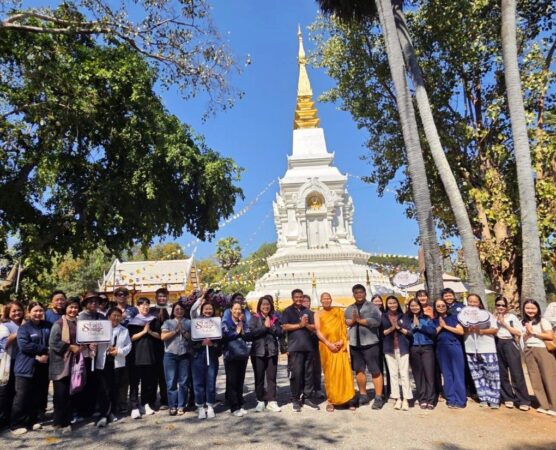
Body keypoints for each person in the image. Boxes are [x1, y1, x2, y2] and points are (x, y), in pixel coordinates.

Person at [10, 302, 51, 435]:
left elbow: (52, 342)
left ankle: (32, 420)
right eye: (35, 311)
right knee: (21, 396)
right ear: (29, 312)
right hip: (25, 367)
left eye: (40, 311)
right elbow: (24, 346)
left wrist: (46, 355)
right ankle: (16, 424)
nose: (38, 313)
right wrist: (44, 350)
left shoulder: (48, 326)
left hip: (42, 367)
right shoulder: (24, 328)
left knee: (36, 395)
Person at [344, 284, 384, 409]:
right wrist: (352, 321)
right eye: (356, 293)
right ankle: (363, 395)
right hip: (355, 344)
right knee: (359, 370)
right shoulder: (349, 308)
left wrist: (361, 321)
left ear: (365, 293)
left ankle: (378, 396)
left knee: (375, 370)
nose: (359, 295)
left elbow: (377, 321)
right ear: (353, 294)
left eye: (361, 292)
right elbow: (346, 321)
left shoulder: (372, 307)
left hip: (370, 343)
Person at [314, 292, 355, 412]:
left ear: (331, 300)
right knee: (330, 374)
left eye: (328, 298)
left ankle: (347, 399)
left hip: (340, 346)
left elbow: (343, 328)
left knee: (344, 372)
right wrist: (329, 344)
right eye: (324, 299)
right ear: (321, 301)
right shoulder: (317, 313)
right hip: (326, 346)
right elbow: (318, 331)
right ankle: (331, 400)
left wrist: (342, 341)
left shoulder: (338, 312)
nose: (326, 300)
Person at [282, 289, 320, 411]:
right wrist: (300, 325)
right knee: (296, 374)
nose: (298, 299)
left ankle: (307, 397)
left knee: (309, 373)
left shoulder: (307, 311)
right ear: (292, 298)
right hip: (295, 347)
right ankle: (295, 398)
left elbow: (315, 327)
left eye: (300, 297)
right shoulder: (287, 311)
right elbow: (284, 326)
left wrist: (306, 325)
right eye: (296, 297)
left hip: (308, 347)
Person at [48, 298, 82, 433]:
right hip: (60, 363)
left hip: (75, 362)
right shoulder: (59, 324)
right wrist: (69, 347)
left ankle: (66, 421)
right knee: (60, 394)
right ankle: (59, 422)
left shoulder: (80, 323)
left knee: (71, 392)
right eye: (71, 307)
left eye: (76, 307)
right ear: (66, 308)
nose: (73, 310)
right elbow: (53, 343)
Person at [462, 293, 500, 409]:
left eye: (475, 302)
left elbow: (495, 329)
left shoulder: (487, 314)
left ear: (480, 303)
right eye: (470, 301)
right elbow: (461, 330)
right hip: (470, 349)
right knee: (477, 375)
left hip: (487, 348)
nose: (472, 304)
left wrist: (481, 331)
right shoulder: (463, 316)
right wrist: (467, 329)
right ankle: (483, 398)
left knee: (492, 374)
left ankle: (494, 399)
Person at [95, 307, 132, 427]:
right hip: (103, 362)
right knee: (104, 388)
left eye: (118, 316)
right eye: (114, 315)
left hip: (117, 362)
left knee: (114, 388)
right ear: (108, 316)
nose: (116, 318)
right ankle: (104, 414)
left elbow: (129, 346)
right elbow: (94, 342)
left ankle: (112, 412)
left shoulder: (124, 330)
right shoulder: (100, 328)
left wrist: (119, 351)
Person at [493, 295, 530, 411]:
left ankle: (523, 400)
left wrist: (504, 324)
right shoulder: (492, 317)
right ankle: (508, 397)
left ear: (507, 306)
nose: (501, 307)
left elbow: (519, 332)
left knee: (516, 372)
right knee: (502, 372)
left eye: (503, 305)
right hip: (497, 344)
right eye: (498, 305)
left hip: (510, 343)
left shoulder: (512, 317)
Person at [127, 297, 161, 419]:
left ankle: (145, 403)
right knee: (134, 382)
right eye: (142, 305)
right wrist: (144, 331)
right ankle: (134, 406)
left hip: (150, 354)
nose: (145, 307)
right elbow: (130, 338)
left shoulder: (154, 320)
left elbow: (160, 336)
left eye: (147, 305)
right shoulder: (133, 322)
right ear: (138, 307)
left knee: (148, 381)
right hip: (136, 355)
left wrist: (150, 331)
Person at [521, 299, 556, 416]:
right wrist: (526, 335)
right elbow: (523, 338)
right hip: (528, 350)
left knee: (549, 377)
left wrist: (533, 332)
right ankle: (544, 404)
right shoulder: (523, 322)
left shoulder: (543, 321)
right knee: (535, 378)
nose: (530, 310)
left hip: (542, 350)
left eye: (533, 308)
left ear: (537, 309)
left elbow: (550, 336)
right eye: (527, 308)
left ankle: (554, 406)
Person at [248, 295, 283, 413]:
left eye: (267, 304)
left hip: (272, 351)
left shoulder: (274, 318)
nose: (265, 306)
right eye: (263, 304)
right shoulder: (254, 318)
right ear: (259, 306)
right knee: (259, 377)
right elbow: (251, 333)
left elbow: (280, 332)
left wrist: (271, 326)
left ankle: (272, 401)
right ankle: (260, 400)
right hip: (258, 352)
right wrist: (264, 327)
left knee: (272, 377)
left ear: (271, 306)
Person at [74, 291, 103, 420]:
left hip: (98, 353)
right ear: (85, 303)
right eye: (91, 301)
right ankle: (81, 410)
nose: (94, 304)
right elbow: (78, 334)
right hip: (84, 353)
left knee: (95, 381)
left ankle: (93, 408)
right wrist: (87, 344)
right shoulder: (80, 317)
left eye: (96, 301)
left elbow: (105, 332)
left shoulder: (101, 317)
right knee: (83, 382)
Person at [433, 298, 466, 408]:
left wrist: (445, 326)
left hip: (454, 346)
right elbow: (433, 333)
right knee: (447, 374)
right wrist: (440, 326)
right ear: (435, 308)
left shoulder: (454, 318)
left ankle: (460, 400)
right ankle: (451, 399)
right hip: (441, 348)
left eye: (443, 305)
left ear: (446, 306)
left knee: (458, 373)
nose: (441, 307)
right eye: (438, 306)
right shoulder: (434, 320)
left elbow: (461, 331)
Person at [222, 300, 253, 417]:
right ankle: (234, 407)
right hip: (231, 355)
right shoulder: (226, 322)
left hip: (242, 354)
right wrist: (236, 332)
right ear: (231, 310)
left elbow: (248, 335)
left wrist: (242, 328)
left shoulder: (243, 322)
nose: (237, 311)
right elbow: (224, 337)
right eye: (235, 309)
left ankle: (240, 403)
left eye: (239, 309)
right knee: (232, 381)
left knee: (240, 380)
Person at [191, 301, 221, 420]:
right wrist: (201, 344)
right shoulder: (196, 323)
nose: (208, 311)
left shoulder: (216, 323)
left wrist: (212, 344)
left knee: (211, 381)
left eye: (210, 309)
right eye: (206, 309)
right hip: (198, 356)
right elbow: (191, 343)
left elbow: (220, 344)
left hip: (212, 356)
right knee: (198, 383)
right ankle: (200, 406)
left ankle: (210, 405)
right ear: (202, 310)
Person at [381, 296, 413, 411]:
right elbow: (381, 333)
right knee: (393, 374)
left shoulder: (404, 316)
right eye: (390, 303)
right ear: (387, 305)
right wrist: (392, 328)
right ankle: (397, 398)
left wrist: (398, 328)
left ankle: (406, 399)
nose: (392, 305)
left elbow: (410, 332)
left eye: (394, 303)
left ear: (397, 304)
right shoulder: (383, 316)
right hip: (389, 348)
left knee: (404, 374)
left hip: (402, 347)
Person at [161, 302, 191, 416]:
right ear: (173, 311)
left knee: (184, 381)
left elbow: (192, 338)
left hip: (185, 355)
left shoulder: (188, 322)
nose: (179, 311)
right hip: (170, 355)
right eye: (177, 309)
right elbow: (163, 337)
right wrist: (175, 331)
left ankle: (181, 405)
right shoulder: (168, 322)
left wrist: (183, 331)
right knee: (171, 381)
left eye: (181, 309)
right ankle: (172, 405)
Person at [406, 299, 436, 410]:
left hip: (427, 347)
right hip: (413, 347)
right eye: (412, 306)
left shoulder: (427, 318)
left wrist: (420, 326)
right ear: (409, 307)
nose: (414, 307)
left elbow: (433, 331)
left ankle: (431, 399)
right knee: (418, 375)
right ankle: (422, 398)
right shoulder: (406, 319)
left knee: (429, 374)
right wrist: (412, 327)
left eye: (416, 305)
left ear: (420, 306)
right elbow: (405, 332)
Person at [113, 286, 137, 415]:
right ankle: (113, 403)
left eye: (124, 294)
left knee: (127, 376)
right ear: (115, 296)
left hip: (129, 343)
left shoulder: (133, 310)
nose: (122, 296)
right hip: (113, 346)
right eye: (119, 294)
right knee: (114, 376)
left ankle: (126, 402)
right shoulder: (111, 309)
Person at [0, 301, 24, 429]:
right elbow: (4, 344)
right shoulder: (5, 326)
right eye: (14, 311)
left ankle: (14, 418)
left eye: (19, 310)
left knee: (17, 392)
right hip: (9, 362)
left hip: (22, 362)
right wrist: (19, 332)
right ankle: (4, 419)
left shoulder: (24, 323)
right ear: (8, 312)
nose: (17, 313)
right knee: (6, 391)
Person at [151, 287, 171, 410]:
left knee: (165, 375)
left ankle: (165, 399)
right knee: (153, 375)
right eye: (160, 296)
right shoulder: (151, 311)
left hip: (168, 345)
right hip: (154, 345)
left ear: (167, 297)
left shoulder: (171, 309)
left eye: (164, 296)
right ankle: (152, 400)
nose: (162, 298)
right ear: (156, 298)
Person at [302, 294, 323, 399]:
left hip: (313, 344)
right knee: (303, 369)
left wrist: (308, 326)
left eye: (308, 301)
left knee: (316, 367)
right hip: (301, 345)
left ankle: (317, 389)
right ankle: (303, 390)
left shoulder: (314, 314)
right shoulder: (298, 314)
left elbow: (318, 328)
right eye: (304, 301)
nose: (306, 303)